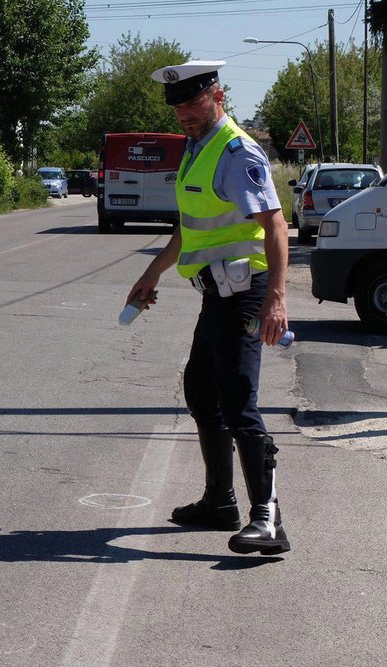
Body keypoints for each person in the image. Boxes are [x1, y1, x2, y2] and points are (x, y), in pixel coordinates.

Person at [126, 60, 292, 555]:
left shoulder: (237, 152)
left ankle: (269, 520)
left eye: (193, 104)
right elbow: (193, 226)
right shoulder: (197, 150)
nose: (184, 115)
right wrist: (153, 271)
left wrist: (276, 300)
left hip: (246, 292)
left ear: (218, 95)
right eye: (176, 107)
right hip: (215, 294)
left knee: (240, 402)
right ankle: (221, 501)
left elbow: (277, 226)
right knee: (201, 392)